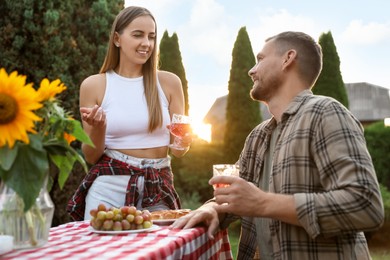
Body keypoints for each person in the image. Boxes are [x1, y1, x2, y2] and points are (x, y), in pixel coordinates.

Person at [171, 31, 384, 259]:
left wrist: (263, 203)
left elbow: (365, 204)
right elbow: (236, 195)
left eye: (260, 59)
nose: (251, 70)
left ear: (287, 58)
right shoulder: (258, 136)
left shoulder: (325, 112)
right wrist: (210, 208)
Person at [67, 6, 192, 221]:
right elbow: (91, 156)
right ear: (117, 38)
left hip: (158, 184)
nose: (146, 43)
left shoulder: (170, 82)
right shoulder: (94, 85)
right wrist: (98, 129)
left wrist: (184, 140)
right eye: (138, 35)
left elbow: (179, 151)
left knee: (162, 252)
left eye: (151, 37)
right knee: (104, 253)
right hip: (109, 186)